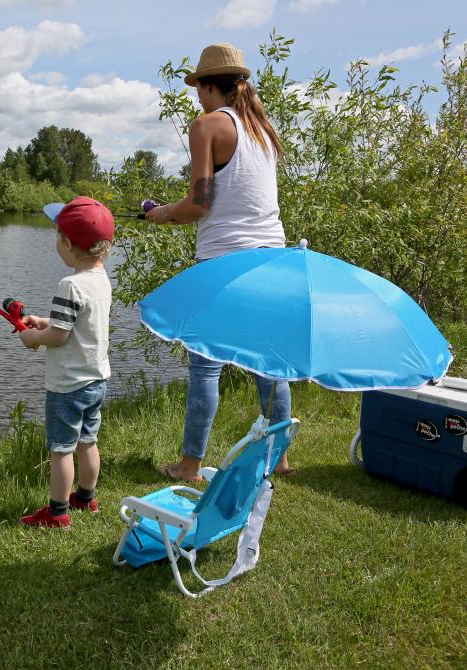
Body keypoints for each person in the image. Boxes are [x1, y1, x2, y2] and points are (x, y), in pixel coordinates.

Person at [145, 43, 294, 481]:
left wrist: (165, 213)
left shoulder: (206, 125)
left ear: (209, 86)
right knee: (268, 363)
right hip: (272, 257)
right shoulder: (262, 128)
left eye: (198, 87)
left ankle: (190, 465)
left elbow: (199, 203)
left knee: (205, 363)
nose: (197, 96)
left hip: (224, 261)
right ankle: (279, 458)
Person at [18, 196, 114, 528]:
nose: (55, 242)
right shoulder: (101, 279)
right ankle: (86, 499)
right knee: (88, 441)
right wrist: (45, 321)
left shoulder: (69, 284)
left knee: (61, 448)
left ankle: (57, 512)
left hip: (68, 385)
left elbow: (58, 337)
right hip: (96, 380)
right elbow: (73, 324)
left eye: (57, 236)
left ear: (69, 244)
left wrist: (32, 338)